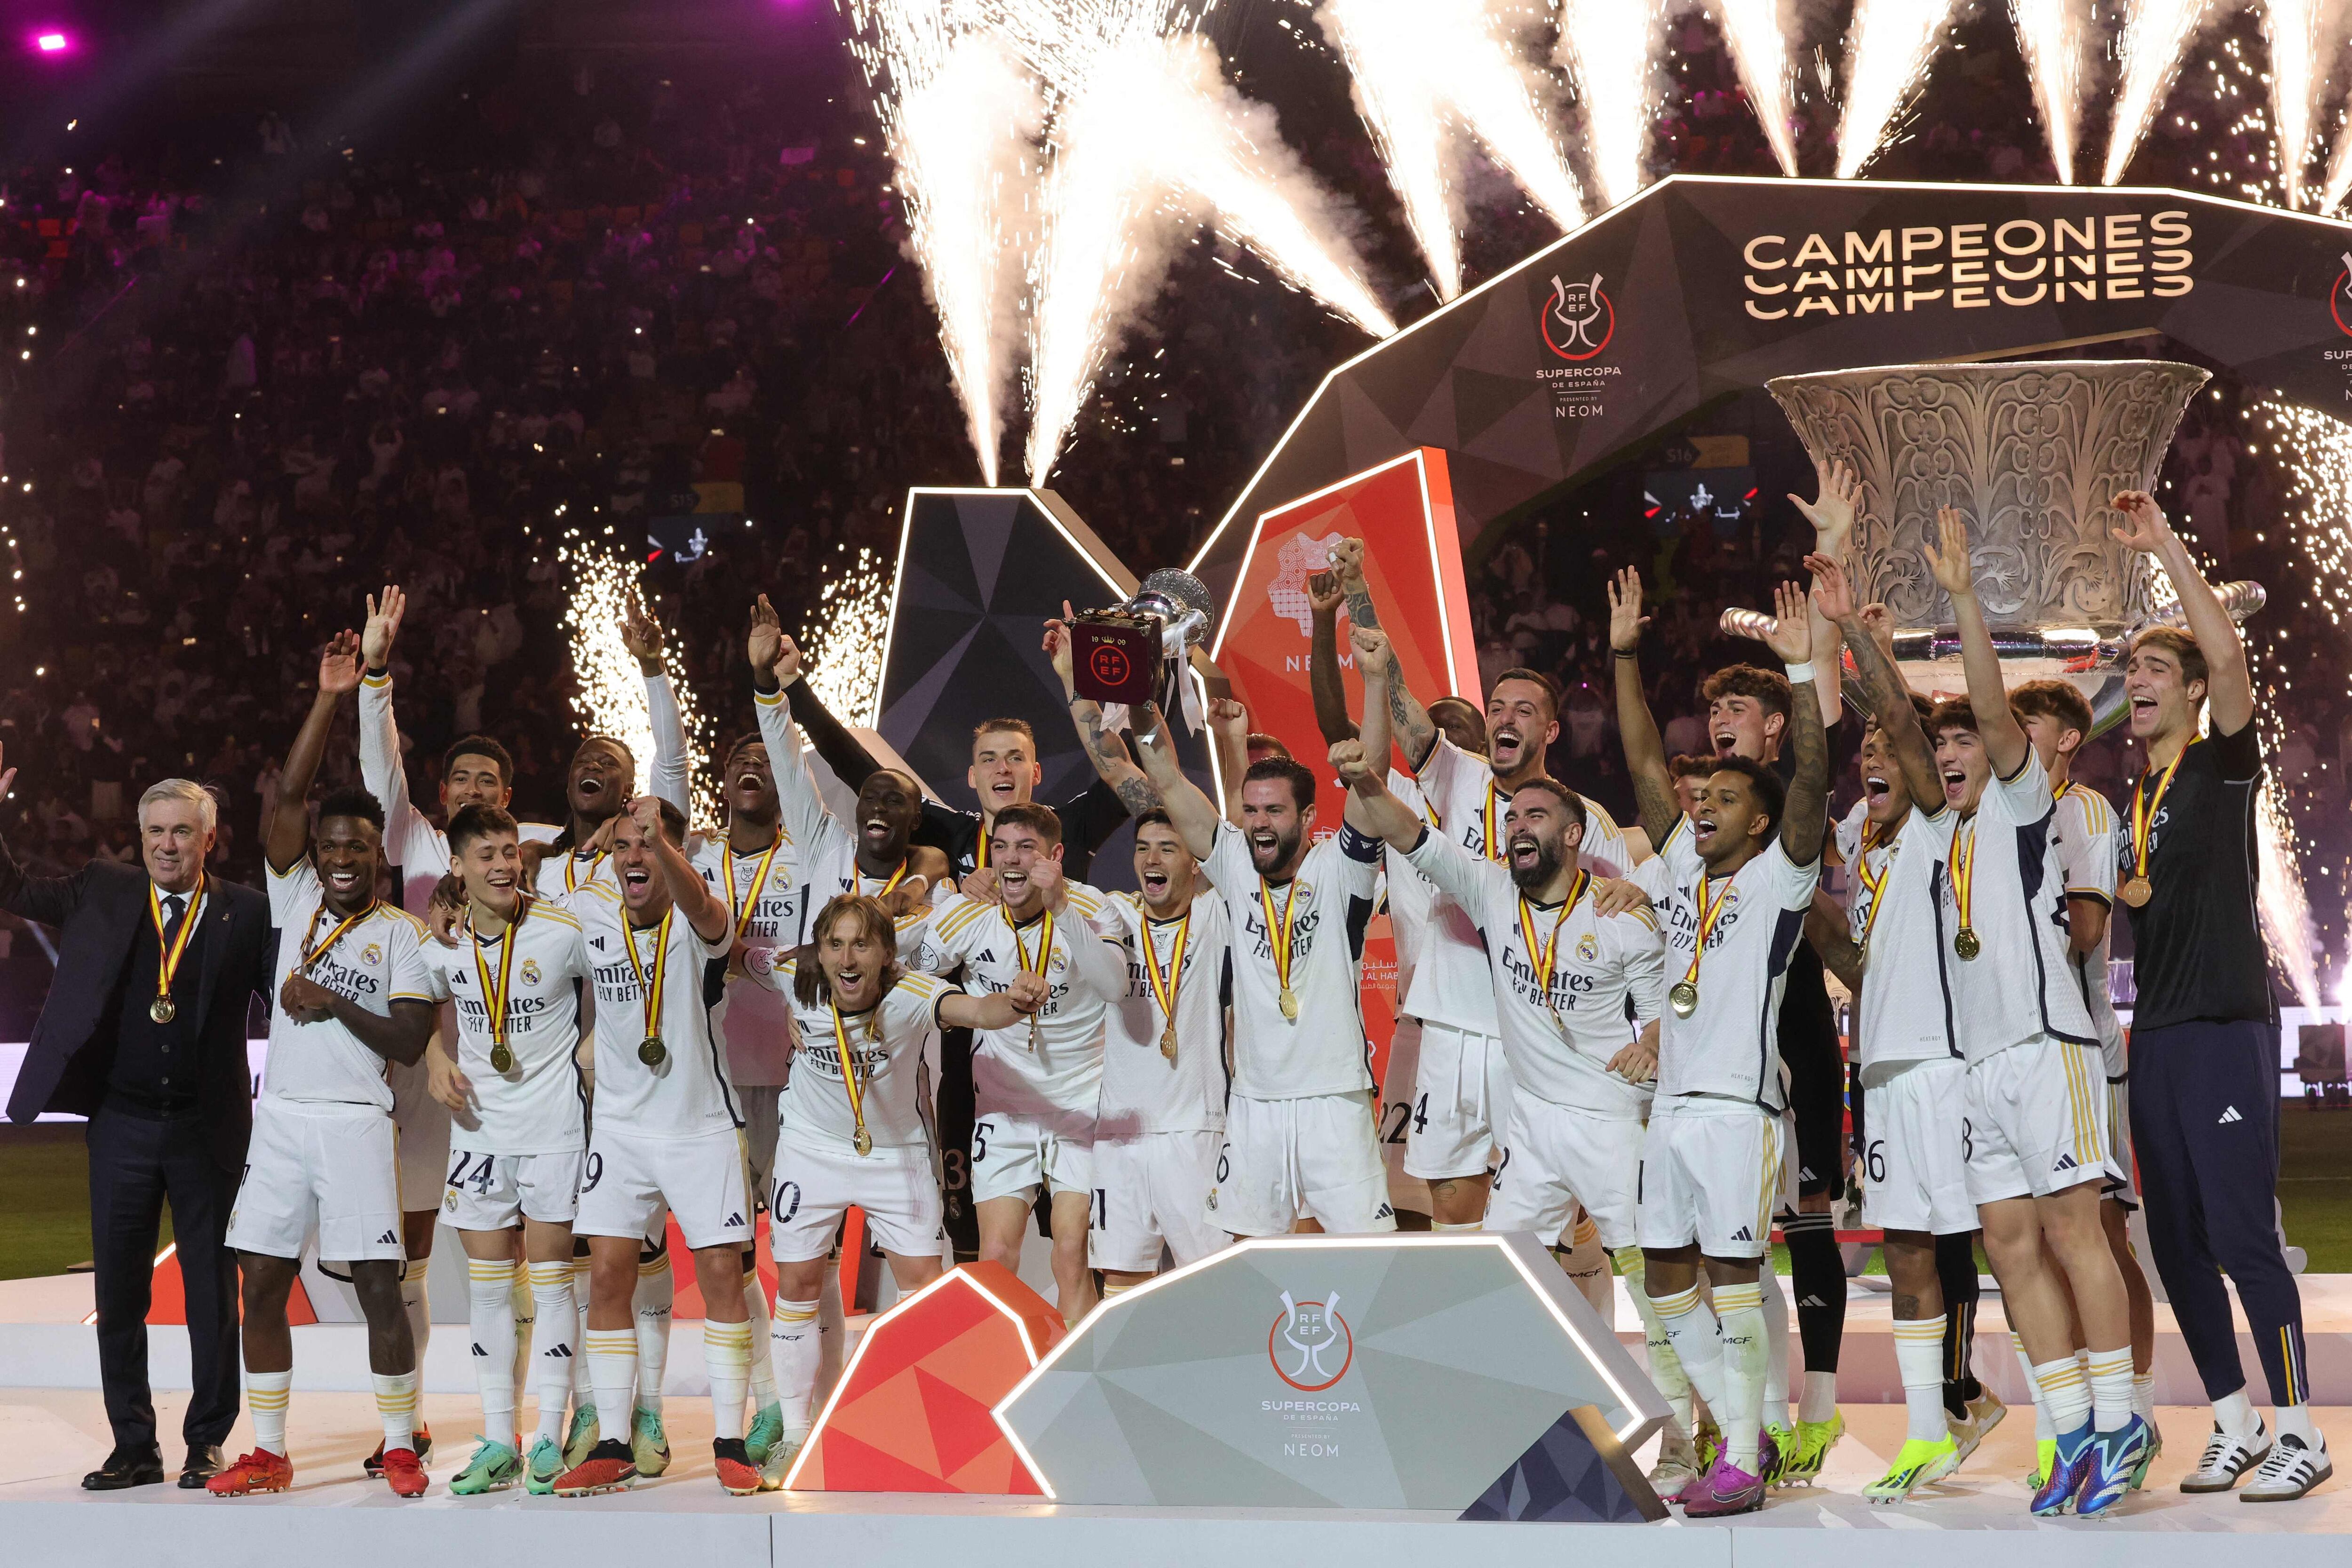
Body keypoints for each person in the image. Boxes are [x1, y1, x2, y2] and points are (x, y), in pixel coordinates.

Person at [1333, 735, 1679, 1471]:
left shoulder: (1622, 914)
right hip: (1533, 1127)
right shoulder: (1491, 889)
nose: (1518, 825)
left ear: (1574, 834)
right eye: (1513, 816)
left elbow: (1664, 1014)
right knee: (1504, 1279)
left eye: (1535, 815)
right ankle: (1502, 1426)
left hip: (1612, 1123)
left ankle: (1689, 1434)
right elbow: (1409, 833)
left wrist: (1652, 1043)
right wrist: (1365, 779)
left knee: (1657, 1282)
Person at [1922, 509, 2146, 1517]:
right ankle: (2065, 1435)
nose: (1955, 752)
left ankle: (2117, 1422)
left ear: (2006, 748)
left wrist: (1966, 601)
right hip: (1978, 1066)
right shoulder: (1945, 833)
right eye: (1947, 746)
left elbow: (1991, 713)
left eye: (1970, 736)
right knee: (2007, 1246)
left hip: (2049, 1048)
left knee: (2073, 1232)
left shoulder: (2026, 807)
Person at [2109, 488, 2329, 1502]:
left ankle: (2302, 1430)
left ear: (2194, 692)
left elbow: (2234, 660)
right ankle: (2233, 1422)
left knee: (2242, 1233)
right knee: (2175, 1242)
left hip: (2223, 1026)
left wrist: (2162, 548)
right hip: (2153, 1036)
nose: (2136, 679)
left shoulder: (2221, 764)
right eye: (2133, 668)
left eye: (2157, 668)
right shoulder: (2128, 804)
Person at [1323, 539, 1630, 1244]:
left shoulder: (1585, 823)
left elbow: (1628, 918)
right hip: (1454, 1030)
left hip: (1540, 1042)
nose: (1504, 718)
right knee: (1453, 1212)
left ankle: (1568, 1338)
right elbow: (1394, 692)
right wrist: (1360, 591)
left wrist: (1634, 901)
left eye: (1523, 710)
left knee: (1554, 1223)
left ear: (1550, 730)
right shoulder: (1455, 775)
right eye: (1497, 706)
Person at [1611, 569, 1829, 1517]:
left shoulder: (1779, 883)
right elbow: (1640, 767)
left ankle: (1742, 1448)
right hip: (1671, 1113)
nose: (1700, 804)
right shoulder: (1675, 877)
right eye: (1698, 796)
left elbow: (1813, 781)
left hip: (1742, 1112)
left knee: (1736, 1276)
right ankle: (1744, 1434)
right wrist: (1623, 654)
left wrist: (1806, 677)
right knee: (1663, 1279)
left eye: (1724, 797)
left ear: (1760, 817)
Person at [2, 758, 275, 1493]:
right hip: (120, 1123)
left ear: (209, 838)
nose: (166, 844)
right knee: (120, 1292)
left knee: (212, 1294)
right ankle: (133, 1446)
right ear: (140, 836)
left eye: (182, 832)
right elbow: (14, 887)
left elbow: (288, 997)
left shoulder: (247, 912)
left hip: (206, 1127)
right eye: (155, 831)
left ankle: (207, 1441)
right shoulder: (104, 886)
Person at [210, 632, 440, 1498]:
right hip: (283, 1120)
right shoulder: (294, 892)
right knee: (261, 1280)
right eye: (330, 846)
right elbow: (291, 792)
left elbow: (409, 1042)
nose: (341, 857)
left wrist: (333, 1000)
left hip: (353, 1123)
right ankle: (268, 1449)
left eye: (356, 847)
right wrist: (327, 697)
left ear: (378, 852)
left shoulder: (402, 937)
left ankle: (399, 1440)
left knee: (380, 1286)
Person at [744, 894, 1047, 1483]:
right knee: (798, 1284)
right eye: (835, 945)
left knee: (923, 1291)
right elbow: (736, 955)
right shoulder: (792, 975)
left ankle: (921, 1426)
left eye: (862, 944)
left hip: (895, 1156)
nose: (848, 959)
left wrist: (1014, 1002)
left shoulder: (913, 994)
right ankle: (799, 1441)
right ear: (818, 951)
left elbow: (979, 1012)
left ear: (887, 954)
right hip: (810, 1150)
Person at [357, 582, 556, 1475]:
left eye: (490, 783)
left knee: (507, 1254)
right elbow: (378, 773)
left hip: (506, 1084)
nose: (475, 791)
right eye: (461, 780)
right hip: (417, 1072)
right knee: (411, 1251)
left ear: (509, 798)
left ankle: (522, 1419)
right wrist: (375, 675)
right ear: (441, 794)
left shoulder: (528, 855)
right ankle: (410, 1419)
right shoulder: (415, 841)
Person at [1802, 560, 1985, 1503]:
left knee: (2008, 1235)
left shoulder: (1934, 827)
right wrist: (1795, 898)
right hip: (1880, 1072)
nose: (1874, 755)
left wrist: (1857, 644)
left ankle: (2090, 1418)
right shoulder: (1862, 846)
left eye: (1888, 743)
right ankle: (1928, 1432)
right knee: (1909, 1249)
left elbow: (1914, 742)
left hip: (1950, 1071)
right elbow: (1858, 959)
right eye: (1863, 745)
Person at [552, 794, 763, 1498]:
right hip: (619, 1129)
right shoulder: (590, 911)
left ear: (673, 852)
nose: (634, 857)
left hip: (700, 1127)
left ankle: (731, 1441)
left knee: (723, 1281)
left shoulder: (699, 914)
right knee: (608, 1278)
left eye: (647, 844)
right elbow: (521, 921)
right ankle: (614, 1439)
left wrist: (662, 843)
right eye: (623, 847)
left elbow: (710, 915)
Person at [1125, 695, 1393, 1239]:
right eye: (1250, 811)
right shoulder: (1232, 865)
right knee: (1245, 1258)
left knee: (1365, 1257)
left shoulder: (1339, 870)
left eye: (1273, 811)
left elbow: (1373, 783)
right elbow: (1169, 781)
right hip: (1253, 1105)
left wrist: (1371, 681)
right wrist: (1139, 702)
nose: (1258, 823)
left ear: (1307, 817)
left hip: (1333, 1099)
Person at [2009, 676, 2160, 1488]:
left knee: (2099, 1233)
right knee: (2030, 1241)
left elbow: (2089, 930)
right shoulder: (1998, 812)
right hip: (2020, 1053)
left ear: (2067, 738)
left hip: (2083, 1049)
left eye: (2025, 722)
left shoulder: (2084, 811)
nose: (2010, 733)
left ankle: (2130, 1408)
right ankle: (2064, 1427)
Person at [417, 805, 593, 1496]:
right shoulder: (442, 943)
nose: (501, 865)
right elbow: (428, 1001)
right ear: (455, 868)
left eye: (510, 851)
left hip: (554, 1130)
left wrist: (596, 1041)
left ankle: (549, 1435)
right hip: (479, 1133)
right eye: (485, 854)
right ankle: (499, 1439)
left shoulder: (561, 929)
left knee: (552, 1281)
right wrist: (435, 1054)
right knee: (489, 1292)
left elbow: (626, 973)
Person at [912, 804, 1125, 1322]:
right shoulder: (967, 914)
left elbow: (1115, 986)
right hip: (1003, 1108)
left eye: (1026, 848)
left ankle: (1074, 1386)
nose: (1011, 860)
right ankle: (1004, 1388)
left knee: (1071, 1253)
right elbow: (907, 979)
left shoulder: (1091, 904)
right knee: (996, 1258)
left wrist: (1061, 911)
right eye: (1001, 846)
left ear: (1055, 856)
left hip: (1081, 1104)